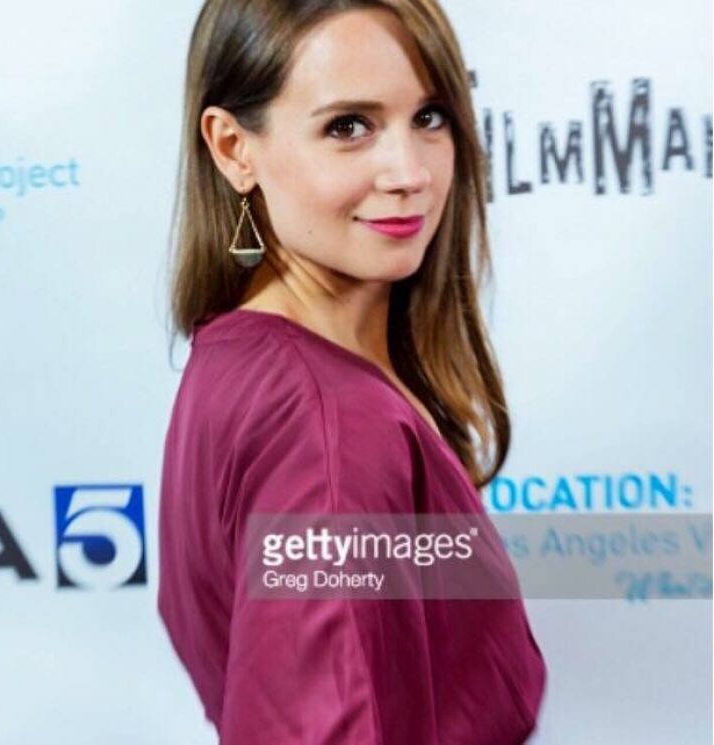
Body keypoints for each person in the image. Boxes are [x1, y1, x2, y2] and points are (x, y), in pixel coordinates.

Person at [157, 1, 548, 743]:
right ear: (234, 148)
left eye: (429, 116)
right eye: (348, 127)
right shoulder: (326, 424)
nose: (410, 173)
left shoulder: (246, 359)